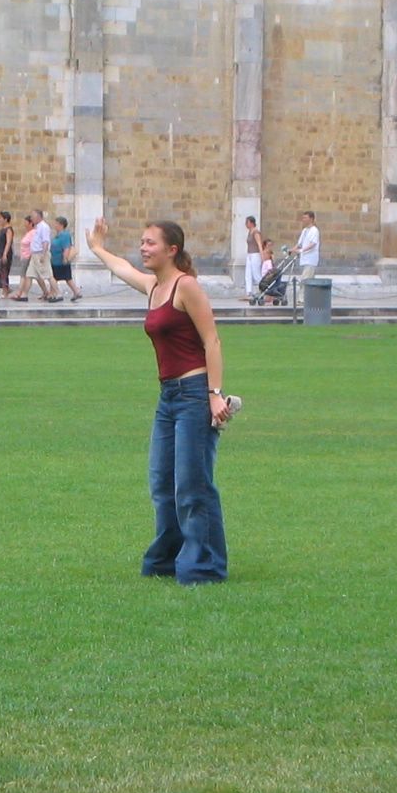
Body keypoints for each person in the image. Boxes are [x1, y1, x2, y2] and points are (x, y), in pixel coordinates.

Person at [87, 217, 232, 585]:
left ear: (172, 250)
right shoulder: (154, 286)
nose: (143, 248)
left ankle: (205, 565)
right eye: (142, 242)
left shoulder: (186, 286)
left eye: (150, 243)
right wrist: (97, 248)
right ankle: (167, 558)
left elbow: (212, 341)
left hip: (194, 394)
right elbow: (123, 269)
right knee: (162, 484)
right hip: (168, 398)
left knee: (192, 485)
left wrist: (214, 395)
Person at [51, 215, 82, 301]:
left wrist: (65, 258)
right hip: (56, 260)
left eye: (56, 223)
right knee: (65, 278)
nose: (54, 225)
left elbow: (66, 247)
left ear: (61, 225)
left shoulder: (64, 235)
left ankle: (57, 294)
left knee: (55, 278)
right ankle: (76, 292)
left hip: (60, 261)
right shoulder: (58, 235)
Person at [289, 210, 320, 283]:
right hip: (304, 259)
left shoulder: (314, 230)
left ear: (311, 219)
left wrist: (301, 250)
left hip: (310, 259)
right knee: (306, 279)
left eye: (305, 218)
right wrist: (292, 250)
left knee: (305, 280)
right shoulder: (305, 230)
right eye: (303, 218)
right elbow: (299, 243)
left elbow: (313, 244)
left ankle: (303, 291)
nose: (303, 220)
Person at [0, 211, 15, 300]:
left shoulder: (8, 229)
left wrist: (5, 254)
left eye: (1, 218)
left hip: (4, 252)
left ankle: (5, 291)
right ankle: (5, 289)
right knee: (0, 271)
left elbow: (8, 242)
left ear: (6, 219)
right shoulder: (2, 229)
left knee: (4, 272)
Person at [243, 215, 263, 300]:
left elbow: (259, 244)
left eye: (247, 222)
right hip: (249, 255)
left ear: (251, 223)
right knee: (248, 274)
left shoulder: (256, 232)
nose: (246, 224)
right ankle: (249, 292)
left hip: (255, 255)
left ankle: (263, 289)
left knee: (256, 274)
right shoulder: (250, 232)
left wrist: (262, 256)